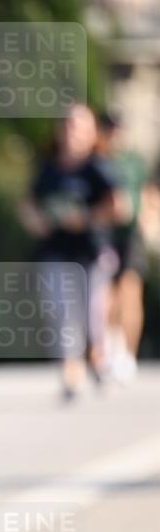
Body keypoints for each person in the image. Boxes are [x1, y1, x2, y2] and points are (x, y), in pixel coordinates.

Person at [19, 105, 123, 401]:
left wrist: (86, 219)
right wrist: (35, 220)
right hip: (55, 251)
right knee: (61, 315)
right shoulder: (48, 167)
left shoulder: (98, 166)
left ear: (91, 133)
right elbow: (28, 202)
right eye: (65, 125)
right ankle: (70, 373)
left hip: (91, 251)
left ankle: (99, 357)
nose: (70, 131)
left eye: (77, 126)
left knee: (92, 315)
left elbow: (119, 206)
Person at [96, 112, 148, 383]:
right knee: (105, 295)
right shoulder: (98, 160)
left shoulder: (133, 161)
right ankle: (110, 347)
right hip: (104, 233)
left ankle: (128, 353)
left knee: (130, 290)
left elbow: (148, 192)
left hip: (130, 234)